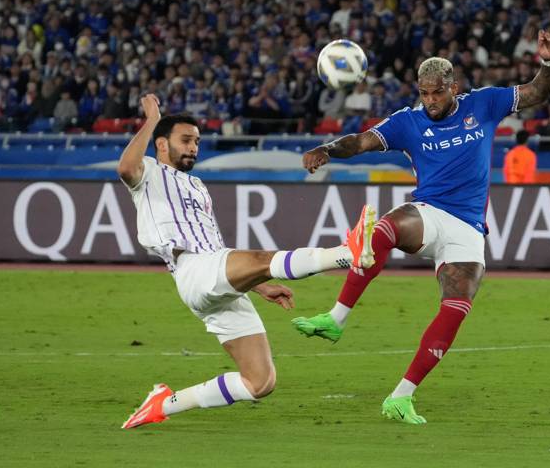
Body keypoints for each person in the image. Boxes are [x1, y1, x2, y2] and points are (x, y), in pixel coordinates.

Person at [293, 30, 550, 424]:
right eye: (424, 93)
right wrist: (328, 150)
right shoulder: (409, 121)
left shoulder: (484, 104)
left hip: (468, 229)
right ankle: (336, 318)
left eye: (437, 93)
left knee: (454, 310)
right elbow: (363, 141)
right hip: (430, 213)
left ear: (453, 87)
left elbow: (537, 93)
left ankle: (401, 397)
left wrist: (549, 63)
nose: (430, 101)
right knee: (385, 227)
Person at [118, 94, 376, 429]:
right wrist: (152, 119)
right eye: (186, 140)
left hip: (214, 273)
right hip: (193, 270)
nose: (194, 147)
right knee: (260, 257)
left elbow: (216, 246)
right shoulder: (147, 174)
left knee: (260, 382)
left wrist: (260, 286)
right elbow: (125, 167)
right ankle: (347, 253)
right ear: (162, 144)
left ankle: (163, 404)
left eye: (197, 141)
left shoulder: (197, 187)